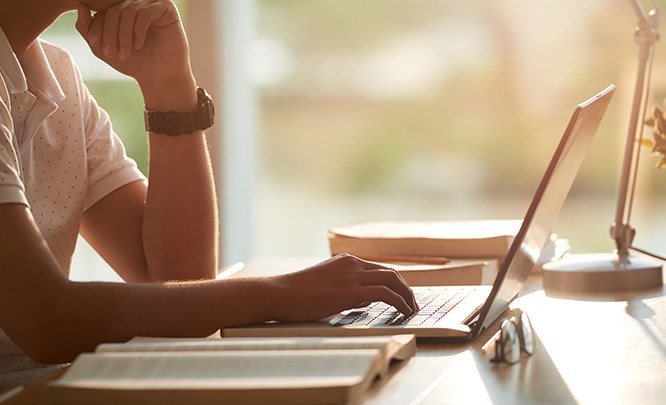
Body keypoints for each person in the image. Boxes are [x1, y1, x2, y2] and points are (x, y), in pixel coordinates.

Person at [0, 0, 418, 387]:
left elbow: (179, 282)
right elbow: (45, 320)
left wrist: (168, 85)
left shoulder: (58, 77)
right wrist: (283, 293)